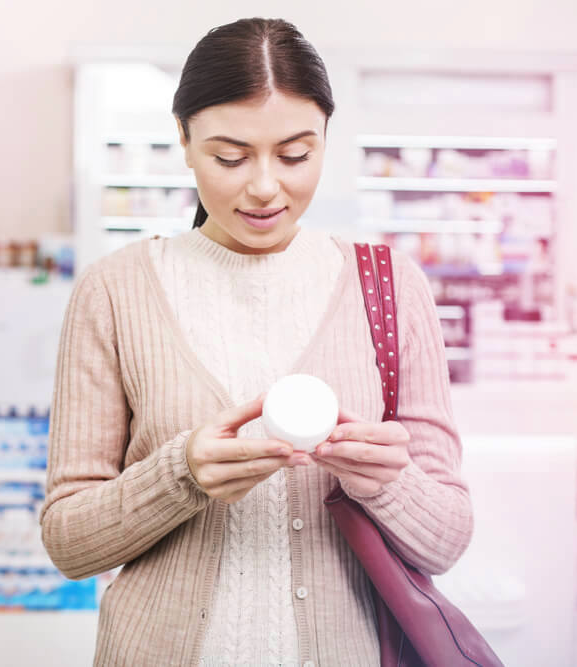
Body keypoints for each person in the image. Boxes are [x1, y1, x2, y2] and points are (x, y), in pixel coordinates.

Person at [39, 17, 472, 667]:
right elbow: (69, 542)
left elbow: (446, 540)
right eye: (230, 157)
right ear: (183, 140)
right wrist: (180, 474)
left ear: (326, 137)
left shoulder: (390, 287)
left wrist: (386, 484)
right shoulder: (114, 291)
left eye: (296, 155)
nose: (266, 186)